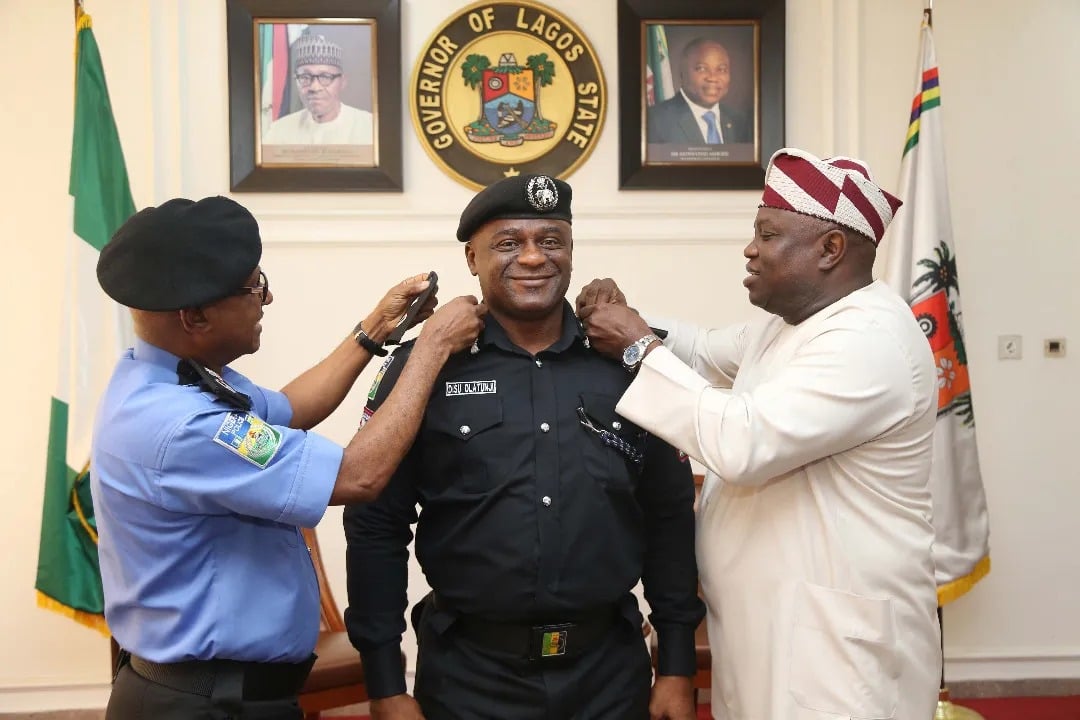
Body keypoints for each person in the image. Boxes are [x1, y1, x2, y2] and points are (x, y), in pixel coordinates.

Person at [577, 148, 941, 720]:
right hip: (771, 629)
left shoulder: (870, 340)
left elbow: (742, 444)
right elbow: (699, 350)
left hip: (833, 652)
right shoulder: (795, 323)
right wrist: (629, 319)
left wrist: (635, 345)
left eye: (768, 235)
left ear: (830, 249)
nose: (749, 249)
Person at [91, 195, 486, 719]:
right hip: (205, 704)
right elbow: (358, 476)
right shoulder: (182, 426)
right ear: (195, 315)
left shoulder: (167, 376)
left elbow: (289, 409)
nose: (269, 297)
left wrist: (374, 329)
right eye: (254, 286)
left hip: (223, 694)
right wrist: (432, 348)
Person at [344, 174, 705, 720]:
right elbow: (376, 524)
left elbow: (669, 515)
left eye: (551, 241)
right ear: (472, 258)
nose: (534, 258)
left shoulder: (628, 359)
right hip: (470, 679)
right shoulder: (426, 364)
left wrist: (677, 665)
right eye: (509, 243)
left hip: (609, 676)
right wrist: (386, 684)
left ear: (571, 252)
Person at [263, 33, 373, 145]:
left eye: (325, 77)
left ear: (342, 82)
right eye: (305, 77)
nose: (315, 87)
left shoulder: (369, 127)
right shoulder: (278, 131)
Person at [647, 38, 750, 145]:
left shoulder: (739, 121)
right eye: (701, 68)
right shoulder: (654, 120)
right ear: (682, 73)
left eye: (721, 69)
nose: (713, 78)